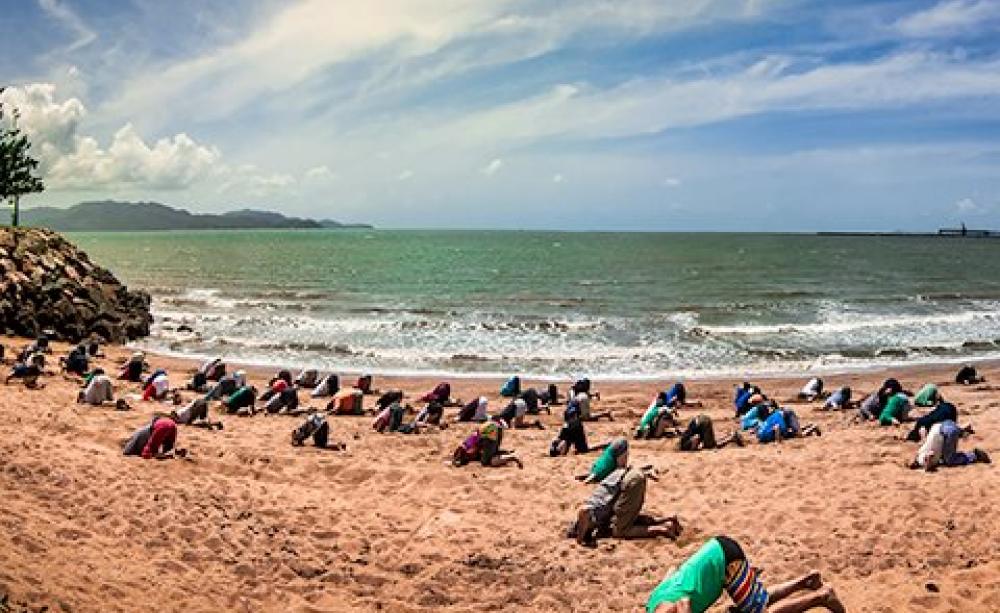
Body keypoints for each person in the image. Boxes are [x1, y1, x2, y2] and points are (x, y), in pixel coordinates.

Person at [646, 537, 845, 613]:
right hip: (717, 550)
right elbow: (671, 572)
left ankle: (822, 597)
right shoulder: (651, 601)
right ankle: (806, 582)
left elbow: (684, 602)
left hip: (724, 563)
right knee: (756, 601)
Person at [569, 467, 681, 546]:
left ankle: (663, 530)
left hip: (630, 483)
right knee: (628, 519)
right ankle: (669, 518)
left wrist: (580, 539)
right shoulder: (595, 506)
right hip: (632, 475)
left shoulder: (589, 514)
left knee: (621, 531)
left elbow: (584, 511)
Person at [908, 420, 991, 471]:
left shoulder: (923, 460)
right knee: (946, 454)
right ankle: (963, 429)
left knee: (950, 460)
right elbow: (924, 435)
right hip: (940, 425)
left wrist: (928, 464)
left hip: (945, 432)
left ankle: (974, 455)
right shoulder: (920, 452)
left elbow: (929, 458)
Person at [451, 420, 522, 468]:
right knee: (491, 453)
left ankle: (512, 457)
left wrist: (456, 459)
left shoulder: (469, 444)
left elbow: (463, 450)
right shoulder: (470, 444)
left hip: (490, 432)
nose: (470, 456)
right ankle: (506, 454)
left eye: (469, 456)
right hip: (492, 428)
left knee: (487, 462)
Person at [678, 414, 743, 451]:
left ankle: (732, 437)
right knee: (709, 442)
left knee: (710, 446)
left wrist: (698, 447)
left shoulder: (685, 445)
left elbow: (696, 438)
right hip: (700, 420)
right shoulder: (684, 439)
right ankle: (731, 436)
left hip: (703, 423)